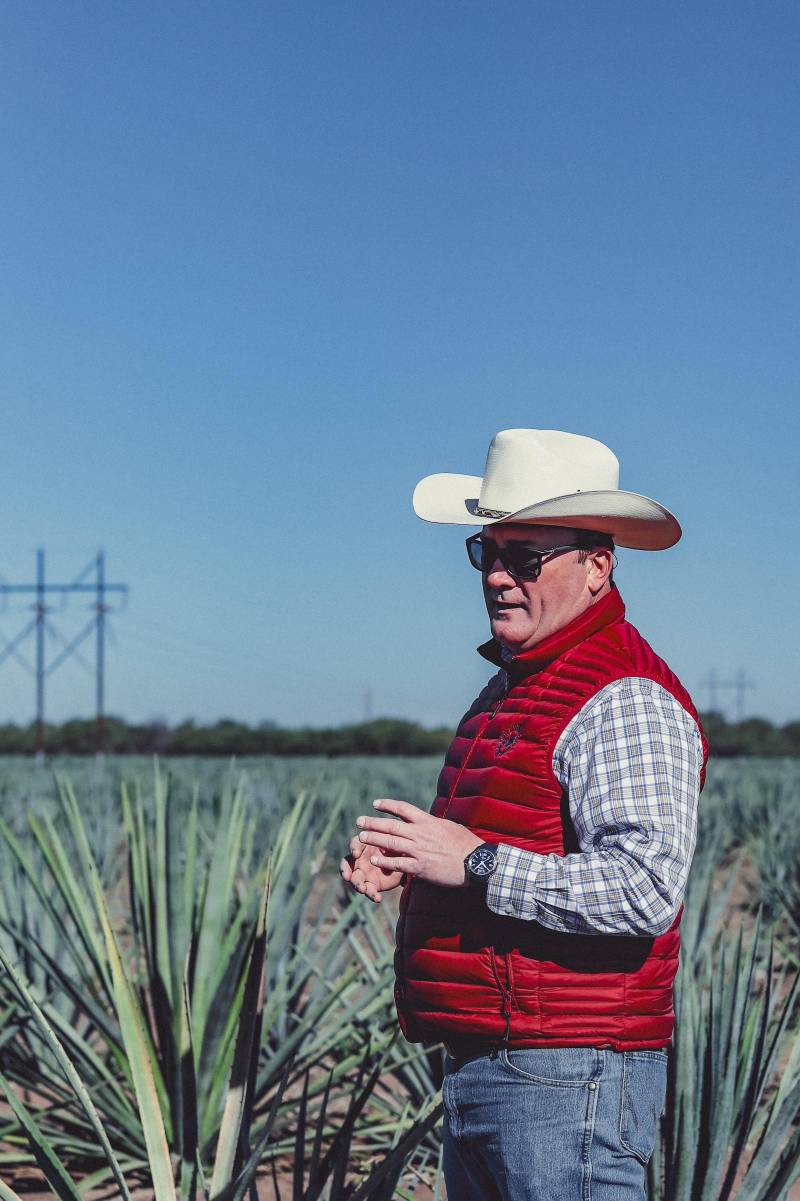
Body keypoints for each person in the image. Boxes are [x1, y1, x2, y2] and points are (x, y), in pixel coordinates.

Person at [340, 428, 707, 1201]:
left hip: (568, 1077)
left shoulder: (624, 698)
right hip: (496, 1064)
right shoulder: (519, 685)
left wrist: (472, 863)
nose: (500, 576)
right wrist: (412, 860)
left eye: (526, 556)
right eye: (488, 553)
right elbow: (508, 840)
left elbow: (644, 888)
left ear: (597, 567)